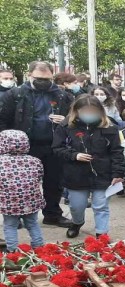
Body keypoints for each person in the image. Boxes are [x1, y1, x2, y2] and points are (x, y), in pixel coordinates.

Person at [0, 61, 73, 228]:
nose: (43, 81)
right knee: (20, 184)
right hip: (22, 148)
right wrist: (7, 143)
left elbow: (74, 116)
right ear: (29, 75)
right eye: (39, 78)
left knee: (54, 182)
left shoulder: (62, 95)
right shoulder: (15, 94)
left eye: (47, 78)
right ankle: (16, 216)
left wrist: (66, 121)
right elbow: (3, 120)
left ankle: (52, 214)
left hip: (54, 145)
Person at [52, 95, 125, 238]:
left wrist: (118, 173)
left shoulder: (109, 127)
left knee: (101, 206)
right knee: (76, 206)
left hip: (102, 174)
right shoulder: (67, 126)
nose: (89, 115)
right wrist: (74, 155)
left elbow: (117, 151)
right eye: (86, 111)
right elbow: (57, 148)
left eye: (93, 111)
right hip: (76, 174)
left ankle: (101, 234)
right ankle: (77, 222)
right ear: (77, 111)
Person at [0, 130, 45, 251]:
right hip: (31, 200)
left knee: (10, 226)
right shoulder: (35, 160)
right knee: (32, 223)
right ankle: (39, 247)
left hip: (9, 203)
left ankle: (13, 250)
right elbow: (39, 177)